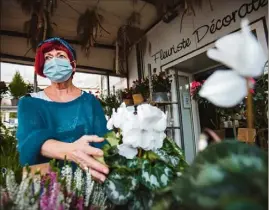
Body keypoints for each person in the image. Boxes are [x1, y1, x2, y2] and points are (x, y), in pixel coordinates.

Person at [16, 37, 109, 182]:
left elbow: (103, 141)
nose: (54, 61)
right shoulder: (30, 103)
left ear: (73, 65)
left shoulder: (90, 102)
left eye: (61, 56)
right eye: (48, 57)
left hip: (88, 182)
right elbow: (28, 143)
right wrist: (72, 151)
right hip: (46, 185)